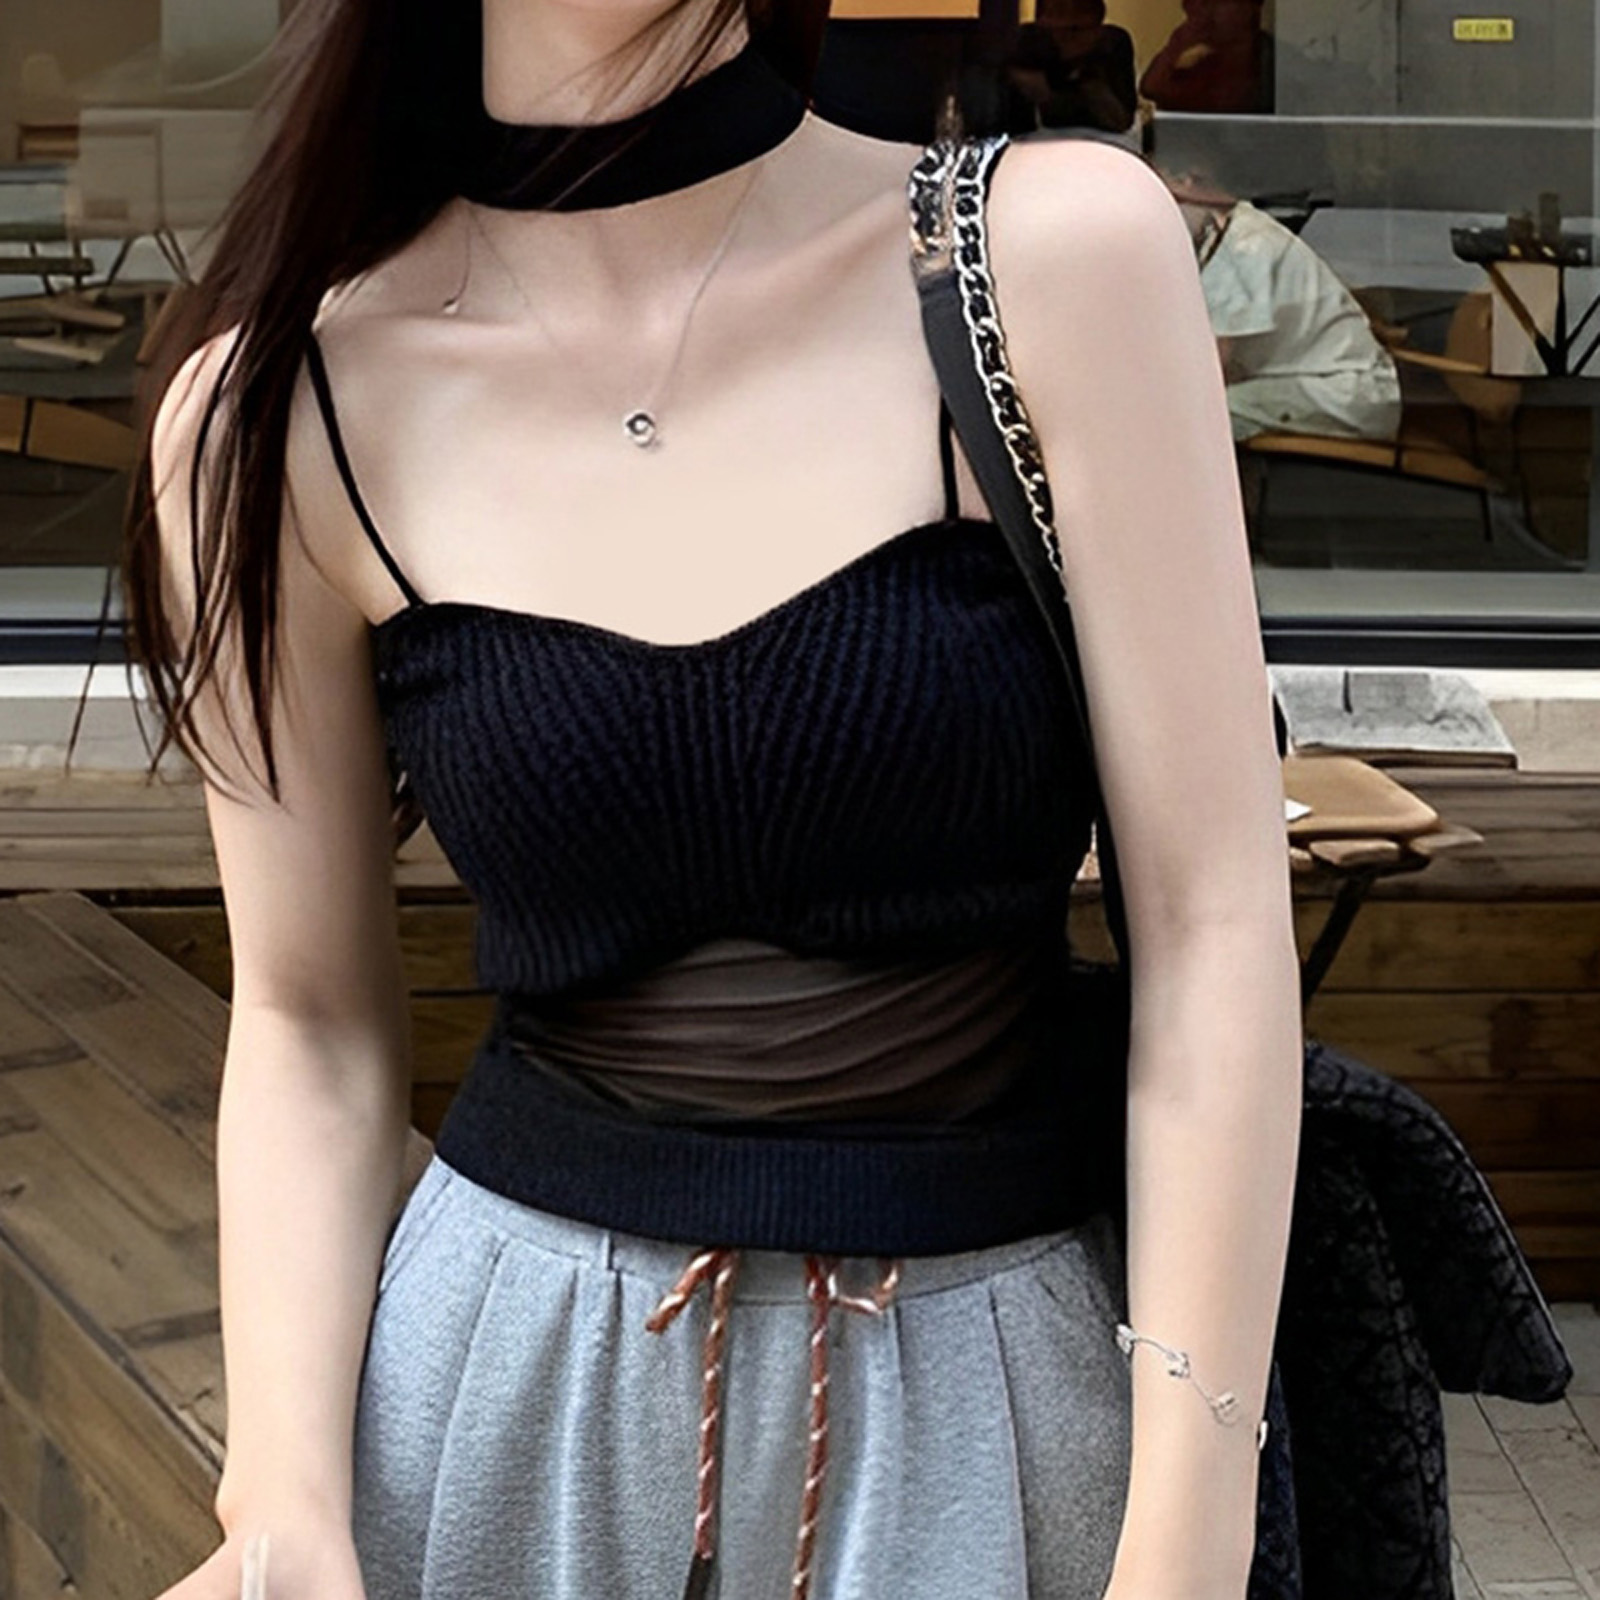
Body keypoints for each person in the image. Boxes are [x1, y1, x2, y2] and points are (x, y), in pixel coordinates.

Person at [126, 0, 1302, 1596]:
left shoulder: (1047, 260)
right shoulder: (271, 413)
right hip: (501, 1406)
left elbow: (1216, 919)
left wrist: (1190, 1537)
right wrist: (279, 1499)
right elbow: (309, 1020)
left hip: (993, 1395)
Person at [1164, 171, 1403, 443]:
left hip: (1340, 392)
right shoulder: (1228, 229)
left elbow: (1211, 368)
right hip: (1305, 382)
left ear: (1186, 181)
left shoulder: (1244, 244)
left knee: (1195, 417)